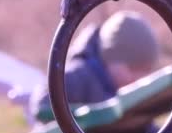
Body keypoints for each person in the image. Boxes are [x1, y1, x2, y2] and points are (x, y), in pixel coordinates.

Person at [30, 10, 160, 117]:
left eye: (145, 71)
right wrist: (91, 117)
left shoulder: (119, 89)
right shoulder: (78, 77)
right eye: (133, 69)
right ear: (111, 57)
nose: (137, 79)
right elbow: (42, 103)